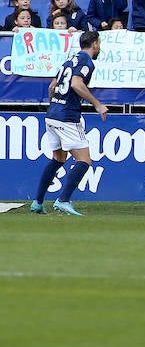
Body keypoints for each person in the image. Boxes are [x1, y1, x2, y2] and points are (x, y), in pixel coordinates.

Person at [29, 31, 108, 216]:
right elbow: (76, 84)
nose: (99, 47)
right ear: (95, 43)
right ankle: (63, 200)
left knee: (58, 158)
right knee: (84, 160)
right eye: (99, 44)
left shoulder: (69, 60)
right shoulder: (87, 62)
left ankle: (38, 202)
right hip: (67, 117)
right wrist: (97, 104)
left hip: (52, 114)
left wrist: (55, 105)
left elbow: (52, 87)